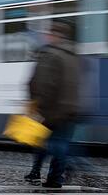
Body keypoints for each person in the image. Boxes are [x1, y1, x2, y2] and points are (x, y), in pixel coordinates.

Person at [28, 19, 80, 189]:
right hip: (72, 107)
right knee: (61, 142)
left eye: (48, 34)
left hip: (52, 108)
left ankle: (62, 170)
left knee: (50, 143)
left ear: (53, 35)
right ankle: (55, 178)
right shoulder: (73, 54)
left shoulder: (49, 54)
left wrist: (36, 104)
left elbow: (41, 83)